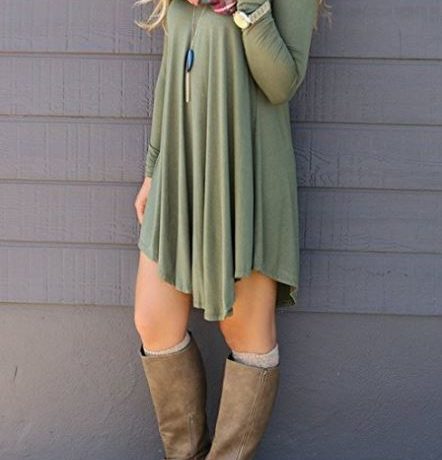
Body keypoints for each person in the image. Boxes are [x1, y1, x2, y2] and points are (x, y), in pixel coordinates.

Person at [132, 0, 331, 458]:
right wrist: (152, 169)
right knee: (153, 320)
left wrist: (248, 6)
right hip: (180, 171)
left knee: (245, 334)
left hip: (244, 174)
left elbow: (281, 83)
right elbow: (171, 72)